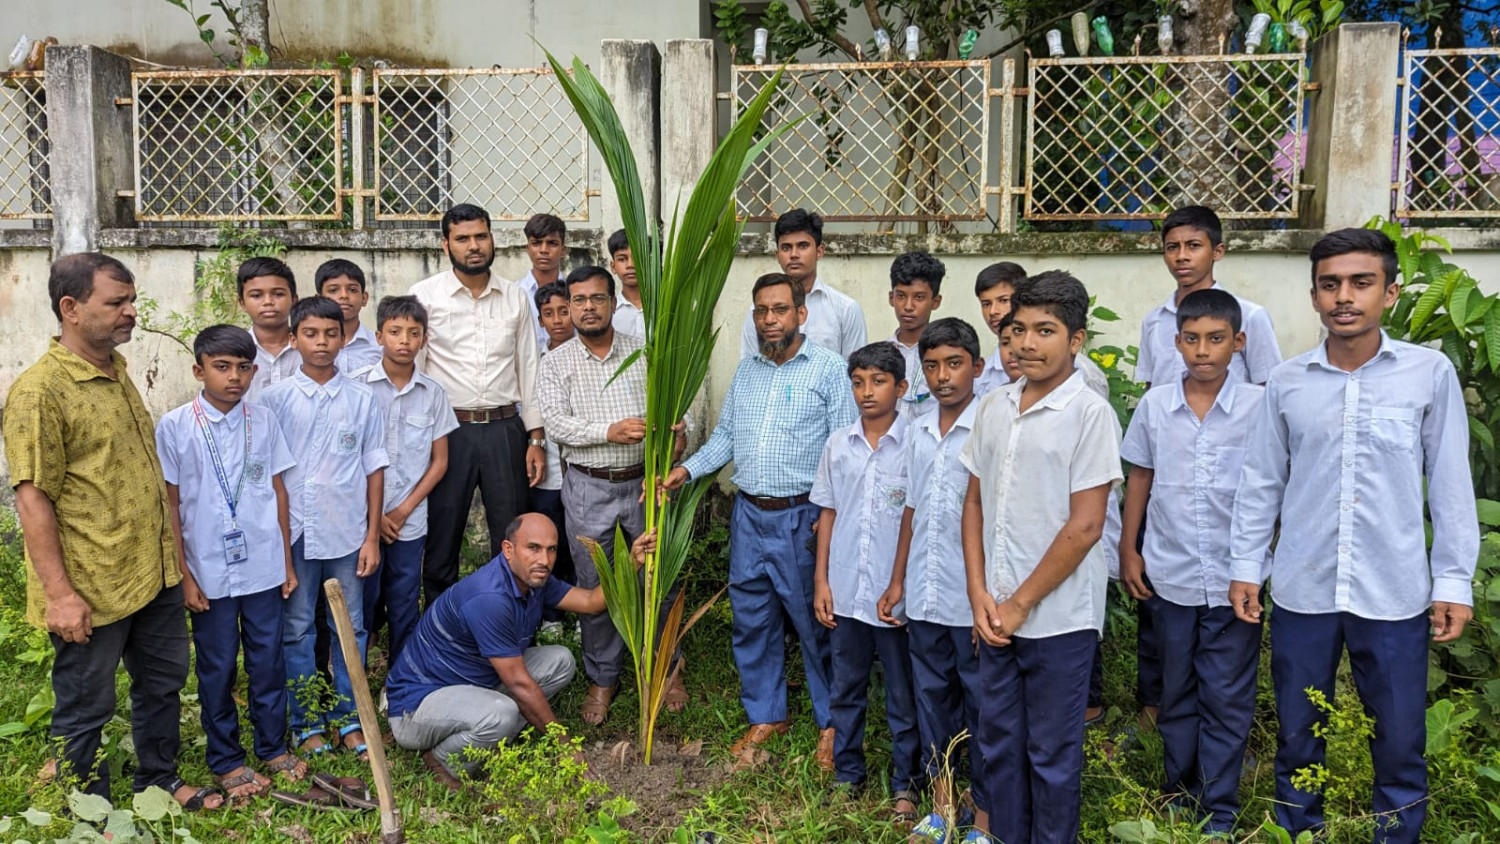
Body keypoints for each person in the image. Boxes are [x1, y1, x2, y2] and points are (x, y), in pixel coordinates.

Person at [1229, 228, 1478, 842]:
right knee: (1297, 733)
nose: (1345, 296)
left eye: (1361, 283)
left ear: (1389, 292)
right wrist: (1246, 566)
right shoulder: (1287, 383)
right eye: (1330, 284)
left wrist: (1453, 580)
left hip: (1393, 591)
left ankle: (1396, 833)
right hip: (1302, 590)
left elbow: (1449, 483)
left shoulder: (1428, 374)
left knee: (1398, 738)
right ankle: (1298, 831)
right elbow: (1262, 482)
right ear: (1314, 296)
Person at [4, 252, 222, 810]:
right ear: (70, 308)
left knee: (163, 683)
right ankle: (89, 808)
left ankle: (158, 781)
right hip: (91, 586)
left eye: (130, 300)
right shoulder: (40, 392)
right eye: (116, 303)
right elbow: (33, 499)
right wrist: (59, 594)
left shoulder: (115, 369)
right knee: (85, 703)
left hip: (151, 572)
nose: (131, 312)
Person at [667, 272, 857, 771]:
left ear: (801, 314)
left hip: (803, 517)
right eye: (761, 311)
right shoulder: (747, 370)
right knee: (752, 620)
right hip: (749, 515)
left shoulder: (829, 370)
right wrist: (685, 470)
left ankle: (833, 723)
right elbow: (727, 436)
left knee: (815, 624)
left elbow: (844, 451)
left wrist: (830, 521)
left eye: (779, 310)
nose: (769, 320)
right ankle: (767, 713)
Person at [961, 271, 1123, 843]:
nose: (1028, 343)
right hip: (997, 614)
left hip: (1057, 620)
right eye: (1019, 329)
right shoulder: (996, 406)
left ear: (1076, 339)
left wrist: (1022, 604)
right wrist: (980, 594)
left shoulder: (1088, 414)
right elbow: (974, 501)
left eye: (1046, 330)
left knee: (1051, 753)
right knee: (999, 744)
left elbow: (1085, 527)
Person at [1117, 290, 1265, 834]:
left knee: (1226, 693)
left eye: (1216, 339)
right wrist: (1128, 548)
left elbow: (1271, 485)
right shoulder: (1157, 405)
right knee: (1175, 688)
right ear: (1176, 342)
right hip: (1171, 573)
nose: (1203, 351)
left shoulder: (1257, 406)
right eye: (1192, 339)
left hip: (1235, 580)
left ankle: (1219, 805)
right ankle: (1179, 790)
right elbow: (1139, 478)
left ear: (1238, 342)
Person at [386, 514, 647, 790]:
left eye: (551, 549)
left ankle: (490, 731)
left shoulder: (533, 579)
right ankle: (440, 760)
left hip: (473, 684)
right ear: (508, 550)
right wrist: (567, 747)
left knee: (560, 661)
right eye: (533, 548)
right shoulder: (489, 598)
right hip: (417, 708)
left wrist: (631, 564)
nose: (544, 560)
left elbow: (590, 601)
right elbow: (519, 684)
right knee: (503, 712)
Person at [156, 324, 306, 800]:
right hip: (208, 572)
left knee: (268, 662)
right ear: (200, 370)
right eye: (222, 367)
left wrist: (286, 561)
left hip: (262, 564)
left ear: (254, 371)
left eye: (243, 367)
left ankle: (272, 746)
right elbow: (171, 505)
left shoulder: (262, 421)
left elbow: (279, 492)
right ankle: (226, 759)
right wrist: (185, 576)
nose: (234, 377)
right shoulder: (175, 426)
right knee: (217, 668)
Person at [537, 265, 689, 725]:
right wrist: (609, 431)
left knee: (658, 578)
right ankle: (604, 676)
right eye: (578, 300)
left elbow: (677, 416)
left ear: (612, 303)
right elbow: (557, 425)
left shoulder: (646, 354)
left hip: (646, 483)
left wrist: (675, 441)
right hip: (587, 485)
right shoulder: (556, 363)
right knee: (595, 582)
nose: (587, 308)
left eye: (596, 299)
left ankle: (667, 668)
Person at [259, 296, 389, 762]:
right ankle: (306, 722)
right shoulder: (273, 401)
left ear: (343, 338)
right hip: (293, 534)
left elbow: (374, 468)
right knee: (296, 630)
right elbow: (271, 476)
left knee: (350, 628)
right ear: (293, 340)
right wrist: (275, 544)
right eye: (310, 334)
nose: (321, 343)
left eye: (330, 334)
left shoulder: (361, 398)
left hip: (347, 532)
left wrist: (372, 536)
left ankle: (350, 718)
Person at [878, 317, 989, 842]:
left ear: (977, 368)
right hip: (923, 594)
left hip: (972, 601)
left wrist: (987, 597)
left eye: (954, 364)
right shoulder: (918, 432)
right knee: (932, 700)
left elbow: (998, 522)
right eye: (932, 366)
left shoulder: (991, 429)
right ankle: (942, 805)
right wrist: (898, 581)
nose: (943, 376)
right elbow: (912, 511)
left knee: (982, 705)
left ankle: (984, 810)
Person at [410, 204, 548, 603]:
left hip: (505, 429)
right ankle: (439, 626)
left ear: (492, 239)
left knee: (511, 533)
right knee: (442, 533)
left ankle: (507, 620)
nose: (474, 246)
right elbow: (415, 372)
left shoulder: (515, 298)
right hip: (447, 432)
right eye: (463, 239)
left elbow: (529, 368)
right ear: (445, 244)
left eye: (480, 236)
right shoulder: (425, 297)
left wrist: (535, 438)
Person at [811, 342, 921, 826]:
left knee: (901, 693)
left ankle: (906, 784)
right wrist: (821, 580)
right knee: (847, 686)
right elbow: (829, 513)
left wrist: (900, 581)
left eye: (878, 382)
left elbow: (916, 518)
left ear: (901, 388)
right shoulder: (839, 443)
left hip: (892, 594)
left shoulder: (917, 442)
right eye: (858, 382)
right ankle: (848, 773)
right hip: (846, 588)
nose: (867, 392)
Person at [356, 296, 458, 669]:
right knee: (362, 599)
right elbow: (351, 460)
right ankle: (355, 677)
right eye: (395, 332)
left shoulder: (432, 394)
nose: (404, 341)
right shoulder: (356, 389)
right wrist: (375, 514)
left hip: (409, 522)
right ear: (379, 335)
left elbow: (440, 462)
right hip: (362, 520)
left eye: (413, 334)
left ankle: (399, 675)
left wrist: (400, 510)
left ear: (424, 340)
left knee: (403, 599)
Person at [1137, 205, 1281, 388]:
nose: (1181, 256)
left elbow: (1268, 387)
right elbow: (1151, 388)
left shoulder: (1250, 316)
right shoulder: (1153, 321)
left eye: (1193, 246)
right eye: (1172, 247)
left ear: (1217, 251)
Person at [738, 209, 867, 360]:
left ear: (819, 251)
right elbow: (749, 366)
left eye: (803, 246)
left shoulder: (845, 310)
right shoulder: (759, 312)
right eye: (786, 248)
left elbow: (856, 374)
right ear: (777, 255)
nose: (794, 254)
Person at [533, 280, 576, 626]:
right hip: (546, 469)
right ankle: (549, 615)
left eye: (564, 310)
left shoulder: (585, 354)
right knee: (550, 541)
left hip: (579, 470)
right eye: (549, 313)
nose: (558, 319)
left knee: (579, 544)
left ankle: (579, 613)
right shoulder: (535, 358)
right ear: (540, 319)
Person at [886, 250, 944, 419]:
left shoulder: (945, 357)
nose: (908, 306)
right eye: (901, 296)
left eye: (919, 297)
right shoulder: (881, 355)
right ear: (891, 298)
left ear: (935, 302)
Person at [238, 257, 299, 401]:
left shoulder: (312, 349)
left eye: (278, 294)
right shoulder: (233, 352)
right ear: (242, 303)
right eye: (256, 295)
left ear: (294, 299)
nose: (268, 302)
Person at [317, 258, 382, 374]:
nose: (344, 296)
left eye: (352, 290)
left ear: (364, 298)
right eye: (333, 290)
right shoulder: (309, 346)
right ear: (319, 299)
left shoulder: (380, 346)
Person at [971, 262, 1024, 397]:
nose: (993, 311)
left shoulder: (1069, 366)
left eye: (1003, 300)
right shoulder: (981, 375)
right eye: (986, 304)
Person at [517, 212, 568, 351]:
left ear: (563, 250)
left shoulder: (575, 293)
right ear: (528, 249)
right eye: (536, 243)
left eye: (552, 243)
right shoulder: (514, 294)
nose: (544, 250)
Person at [607, 228, 644, 339]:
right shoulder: (609, 312)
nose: (630, 265)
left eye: (637, 258)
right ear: (613, 267)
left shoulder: (663, 309)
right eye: (622, 259)